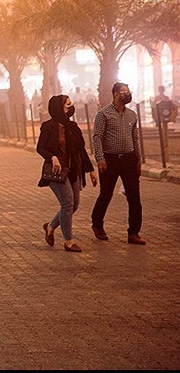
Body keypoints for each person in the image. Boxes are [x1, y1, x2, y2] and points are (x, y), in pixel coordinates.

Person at [37, 95, 98, 253]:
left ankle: (50, 227)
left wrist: (90, 170)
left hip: (73, 170)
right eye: (68, 105)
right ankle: (68, 241)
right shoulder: (48, 126)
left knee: (73, 205)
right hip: (57, 172)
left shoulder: (73, 127)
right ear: (59, 108)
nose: (71, 108)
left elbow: (80, 151)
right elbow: (40, 148)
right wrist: (53, 157)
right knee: (67, 204)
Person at [90, 82, 145, 245]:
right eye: (123, 92)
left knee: (134, 197)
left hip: (129, 159)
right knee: (106, 194)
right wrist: (100, 159)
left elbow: (135, 138)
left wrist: (138, 160)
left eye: (128, 92)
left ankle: (134, 233)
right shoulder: (104, 114)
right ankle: (97, 224)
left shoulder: (132, 115)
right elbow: (97, 137)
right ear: (115, 94)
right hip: (110, 160)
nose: (127, 95)